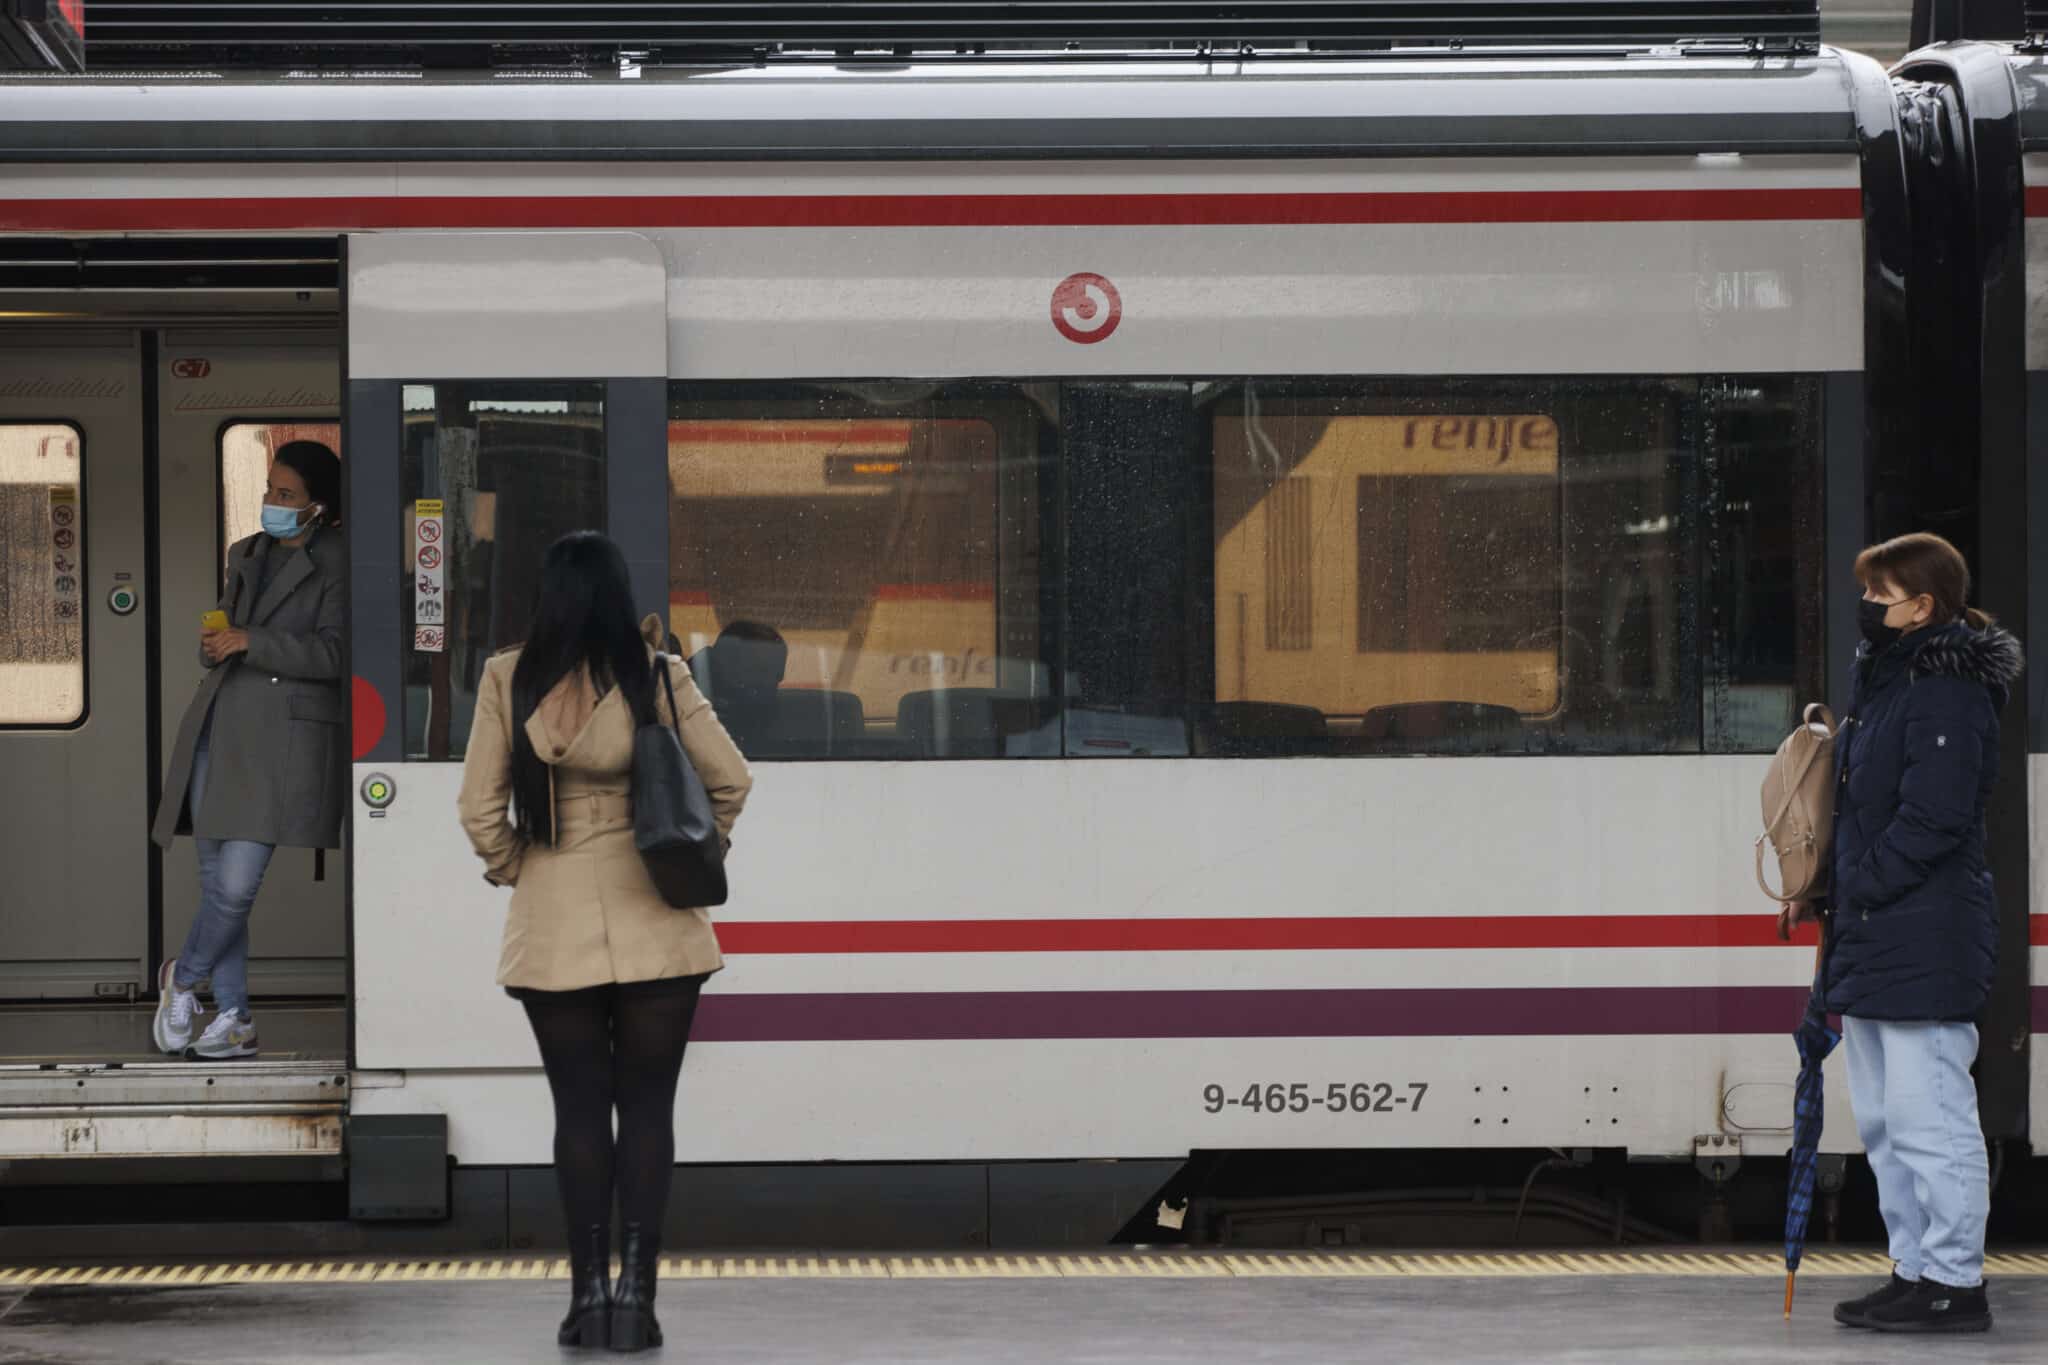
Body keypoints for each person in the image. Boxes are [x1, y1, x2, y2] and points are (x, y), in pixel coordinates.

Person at [457, 532, 751, 1352]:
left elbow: (480, 812)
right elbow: (732, 778)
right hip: (659, 916)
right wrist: (698, 854)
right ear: (621, 594)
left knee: (579, 1111)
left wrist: (524, 867)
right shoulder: (658, 674)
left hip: (553, 923)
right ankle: (639, 1299)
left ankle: (586, 1299)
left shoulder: (507, 676)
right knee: (648, 1109)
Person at [1782, 532, 2022, 1334]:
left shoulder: (1945, 690)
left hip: (1926, 935)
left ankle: (1956, 1281)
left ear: (1922, 606)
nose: (1868, 607)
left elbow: (1936, 818)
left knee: (1932, 1117)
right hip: (1881, 935)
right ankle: (1914, 1267)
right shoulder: (1888, 685)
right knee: (1886, 1121)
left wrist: (1856, 887)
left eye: (1880, 594)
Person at [151, 440, 346, 1061]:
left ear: (318, 505)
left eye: (286, 495)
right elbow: (226, 634)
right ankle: (234, 1017)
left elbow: (336, 654)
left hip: (281, 742)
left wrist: (250, 641)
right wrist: (214, 643)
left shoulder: (340, 561)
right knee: (216, 885)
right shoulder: (245, 553)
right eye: (269, 491)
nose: (271, 504)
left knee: (235, 888)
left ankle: (181, 978)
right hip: (219, 727)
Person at [688, 619, 788, 753]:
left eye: (776, 672)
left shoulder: (787, 725)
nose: (775, 680)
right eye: (759, 670)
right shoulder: (691, 715)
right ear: (721, 668)